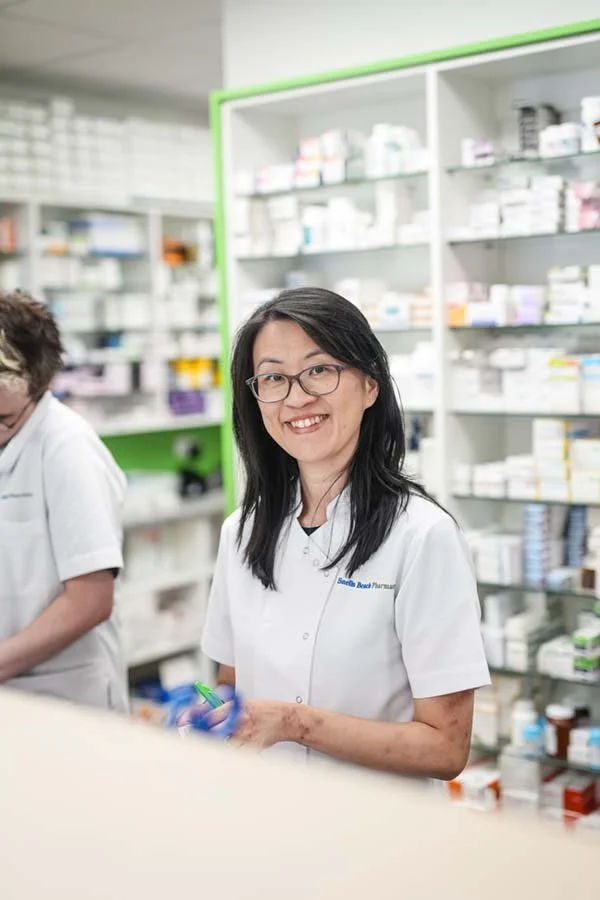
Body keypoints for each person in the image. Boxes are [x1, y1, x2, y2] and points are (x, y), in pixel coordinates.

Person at [201, 287, 490, 777]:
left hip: (377, 829)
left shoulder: (422, 536)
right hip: (262, 815)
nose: (296, 398)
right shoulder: (240, 533)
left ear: (370, 384)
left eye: (319, 370)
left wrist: (295, 722)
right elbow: (225, 687)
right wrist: (205, 709)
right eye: (273, 377)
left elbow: (445, 749)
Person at [0, 290, 128, 711]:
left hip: (64, 697)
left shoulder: (66, 448)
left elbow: (90, 600)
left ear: (40, 387)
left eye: (2, 419)